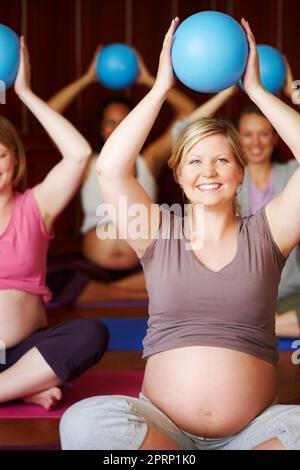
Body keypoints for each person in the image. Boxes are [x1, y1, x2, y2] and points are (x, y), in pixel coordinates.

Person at [59, 19, 300, 450]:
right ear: (179, 175)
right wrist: (159, 88)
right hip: (162, 429)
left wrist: (259, 92)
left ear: (240, 173)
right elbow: (111, 168)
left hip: (253, 432)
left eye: (222, 161)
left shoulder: (269, 233)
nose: (208, 171)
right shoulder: (156, 232)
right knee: (83, 423)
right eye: (194, 162)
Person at [0, 37, 108, 411]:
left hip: (28, 347)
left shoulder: (35, 206)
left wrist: (25, 93)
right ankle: (24, 384)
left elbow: (78, 154)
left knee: (90, 332)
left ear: (15, 160)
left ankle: (13, 383)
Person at [46, 47, 195, 303]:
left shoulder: (149, 159)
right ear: (101, 127)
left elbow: (188, 112)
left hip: (143, 265)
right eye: (110, 122)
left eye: (124, 121)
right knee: (58, 282)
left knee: (184, 273)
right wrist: (87, 79)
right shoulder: (85, 161)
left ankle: (114, 294)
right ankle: (140, 294)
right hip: (96, 268)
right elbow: (49, 111)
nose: (116, 129)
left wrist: (150, 81)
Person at [171, 58, 300, 338]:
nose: (256, 142)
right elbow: (182, 134)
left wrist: (291, 94)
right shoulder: (222, 177)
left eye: (264, 134)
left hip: (288, 291)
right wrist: (227, 90)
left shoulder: (291, 172)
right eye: (248, 135)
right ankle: (260, 322)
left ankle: (258, 324)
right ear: (238, 141)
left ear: (276, 137)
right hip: (236, 289)